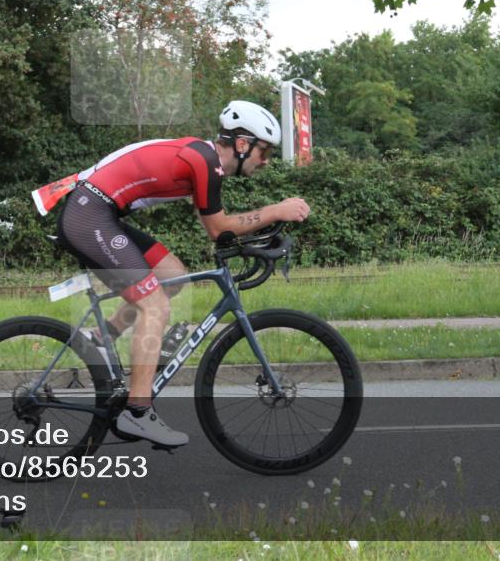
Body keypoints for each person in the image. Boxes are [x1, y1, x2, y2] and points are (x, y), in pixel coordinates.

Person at [50, 100, 311, 447]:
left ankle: (101, 337)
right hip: (89, 216)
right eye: (264, 151)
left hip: (98, 212)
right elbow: (219, 229)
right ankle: (137, 413)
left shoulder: (205, 161)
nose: (266, 161)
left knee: (171, 273)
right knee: (154, 305)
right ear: (243, 144)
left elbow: (217, 227)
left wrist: (263, 225)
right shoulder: (204, 162)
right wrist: (276, 210)